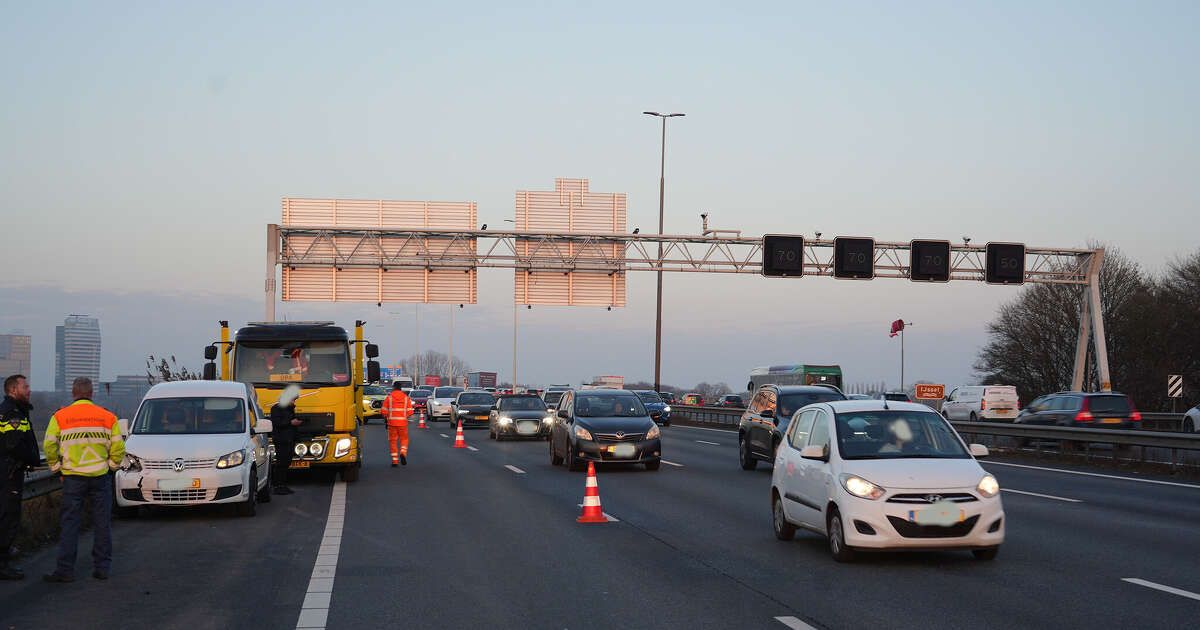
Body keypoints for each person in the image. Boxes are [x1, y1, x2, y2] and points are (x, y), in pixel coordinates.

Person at [42, 377, 124, 582]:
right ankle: (102, 568)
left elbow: (49, 446)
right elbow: (118, 448)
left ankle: (65, 570)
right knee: (102, 523)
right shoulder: (107, 417)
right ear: (91, 393)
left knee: (70, 523)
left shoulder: (60, 417)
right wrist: (111, 467)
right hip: (100, 477)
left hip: (72, 477)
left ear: (73, 393)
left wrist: (56, 468)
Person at [0, 375, 39, 580]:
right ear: (13, 390)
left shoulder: (11, 410)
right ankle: (3, 564)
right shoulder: (12, 413)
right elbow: (13, 444)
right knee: (8, 517)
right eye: (25, 386)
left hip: (7, 471)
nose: (29, 390)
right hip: (9, 473)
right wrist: (32, 459)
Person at [271, 385, 303, 495]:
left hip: (289, 440)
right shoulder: (276, 408)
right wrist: (290, 423)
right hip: (281, 440)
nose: (294, 402)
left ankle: (283, 485)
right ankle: (278, 486)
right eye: (293, 400)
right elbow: (276, 423)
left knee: (287, 463)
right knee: (281, 463)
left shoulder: (289, 409)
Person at [381, 382, 413, 467]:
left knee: (393, 441)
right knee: (404, 439)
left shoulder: (389, 398)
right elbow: (410, 412)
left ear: (394, 387)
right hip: (402, 423)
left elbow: (383, 411)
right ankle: (403, 452)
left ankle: (395, 461)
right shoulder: (406, 398)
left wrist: (387, 417)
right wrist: (404, 416)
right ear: (401, 388)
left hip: (392, 423)